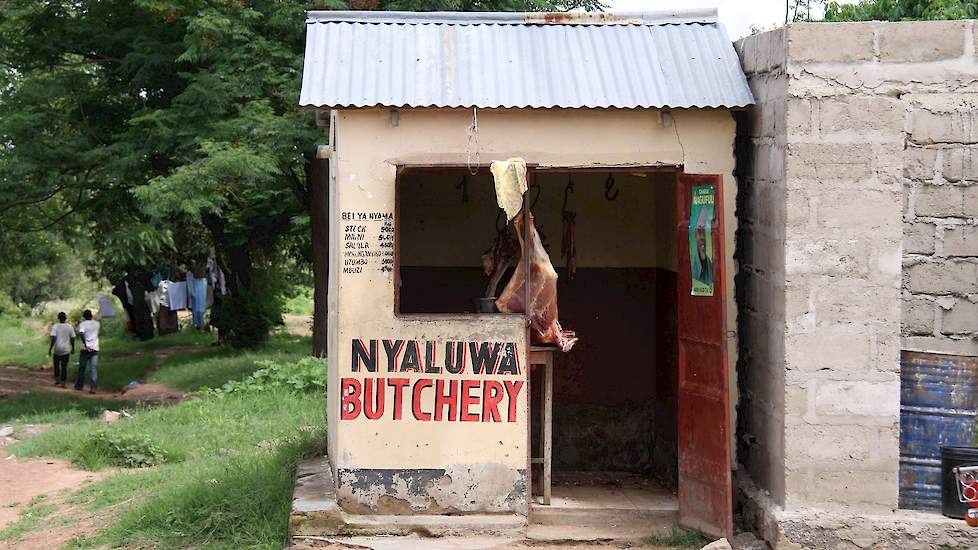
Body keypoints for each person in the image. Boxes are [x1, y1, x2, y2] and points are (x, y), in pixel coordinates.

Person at [76, 309, 100, 394]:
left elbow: (81, 333)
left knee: (82, 368)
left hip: (85, 349)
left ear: (84, 316)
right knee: (93, 369)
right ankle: (93, 388)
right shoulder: (97, 324)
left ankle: (79, 386)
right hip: (95, 348)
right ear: (91, 316)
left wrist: (85, 344)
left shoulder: (82, 324)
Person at [48, 312, 75, 388]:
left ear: (58, 318)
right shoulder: (69, 327)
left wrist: (50, 349)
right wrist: (73, 347)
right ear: (66, 318)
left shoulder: (55, 326)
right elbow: (73, 338)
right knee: (64, 366)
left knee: (56, 365)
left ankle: (57, 380)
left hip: (57, 349)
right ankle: (63, 382)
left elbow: (53, 338)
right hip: (66, 349)